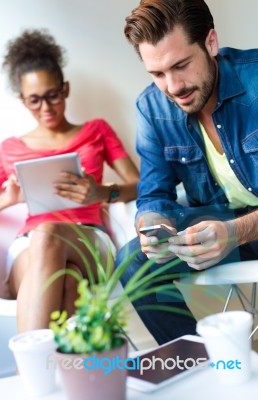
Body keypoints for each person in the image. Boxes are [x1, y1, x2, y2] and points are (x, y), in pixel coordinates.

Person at [116, 0, 258, 345]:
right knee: (133, 259)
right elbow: (153, 194)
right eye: (157, 74)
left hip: (241, 230)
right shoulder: (151, 108)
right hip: (223, 227)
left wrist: (236, 231)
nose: (173, 86)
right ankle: (195, 369)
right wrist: (154, 229)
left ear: (210, 43)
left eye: (181, 65)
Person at [0, 29, 139, 333]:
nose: (46, 108)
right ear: (22, 100)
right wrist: (8, 199)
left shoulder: (96, 130)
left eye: (52, 95)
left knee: (47, 232)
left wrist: (102, 193)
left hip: (89, 239)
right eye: (34, 100)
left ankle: (26, 372)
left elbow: (139, 184)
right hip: (28, 247)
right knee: (67, 281)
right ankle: (64, 374)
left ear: (65, 88)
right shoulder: (9, 149)